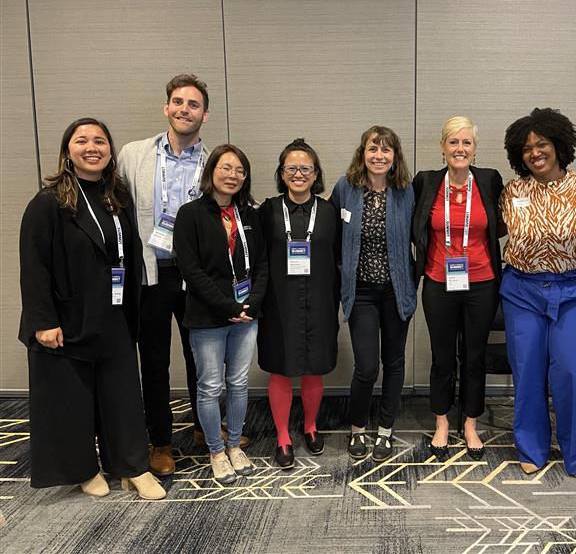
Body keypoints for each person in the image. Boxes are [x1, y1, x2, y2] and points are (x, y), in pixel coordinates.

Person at [19, 118, 165, 500]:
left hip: (113, 314)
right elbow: (34, 266)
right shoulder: (48, 202)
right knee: (73, 402)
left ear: (110, 151)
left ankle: (132, 467)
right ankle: (84, 469)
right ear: (68, 151)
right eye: (81, 140)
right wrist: (43, 320)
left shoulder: (115, 196)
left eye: (100, 141)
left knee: (123, 397)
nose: (92, 147)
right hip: (67, 320)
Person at [118, 74, 248, 479]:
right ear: (166, 107)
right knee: (154, 361)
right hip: (153, 274)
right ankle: (160, 440)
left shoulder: (214, 163)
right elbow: (117, 210)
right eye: (178, 102)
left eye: (193, 105)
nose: (184, 109)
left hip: (197, 280)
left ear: (204, 115)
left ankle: (203, 426)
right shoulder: (134, 155)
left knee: (200, 359)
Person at [499, 108, 576, 479]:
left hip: (573, 290)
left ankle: (572, 448)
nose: (535, 152)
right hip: (522, 290)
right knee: (527, 370)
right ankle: (531, 446)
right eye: (527, 147)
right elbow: (488, 229)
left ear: (559, 145)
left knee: (574, 371)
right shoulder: (513, 191)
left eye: (542, 143)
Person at [412, 117, 504, 461]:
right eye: (453, 142)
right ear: (442, 147)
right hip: (438, 282)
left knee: (475, 356)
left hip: (482, 284)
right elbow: (411, 221)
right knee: (442, 356)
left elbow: (504, 221)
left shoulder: (490, 180)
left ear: (475, 149)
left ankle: (469, 423)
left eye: (466, 143)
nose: (460, 149)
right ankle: (441, 423)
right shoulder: (426, 182)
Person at [173, 144, 267, 483]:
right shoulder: (190, 214)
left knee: (239, 383)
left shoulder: (249, 215)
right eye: (226, 168)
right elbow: (191, 269)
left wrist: (252, 304)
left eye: (240, 170)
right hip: (207, 317)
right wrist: (227, 306)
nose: (233, 175)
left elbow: (263, 265)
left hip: (245, 315)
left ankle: (234, 445)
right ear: (211, 171)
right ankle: (215, 449)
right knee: (210, 386)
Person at [331, 127, 416, 462]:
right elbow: (331, 233)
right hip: (361, 292)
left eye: (386, 149)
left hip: (397, 291)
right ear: (362, 153)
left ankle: (385, 430)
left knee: (394, 362)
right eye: (372, 148)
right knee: (367, 366)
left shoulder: (406, 191)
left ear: (395, 156)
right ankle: (358, 428)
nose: (379, 155)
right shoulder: (345, 188)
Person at [259, 139, 340, 469]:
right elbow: (259, 258)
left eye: (305, 168)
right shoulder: (266, 211)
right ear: (281, 173)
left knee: (314, 366)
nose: (298, 174)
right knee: (281, 365)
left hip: (319, 300)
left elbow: (338, 257)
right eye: (291, 168)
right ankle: (282, 437)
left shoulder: (330, 212)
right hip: (279, 302)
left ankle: (310, 426)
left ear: (316, 173)